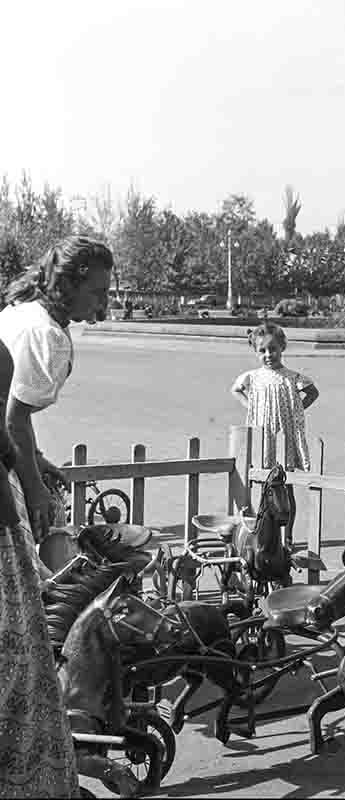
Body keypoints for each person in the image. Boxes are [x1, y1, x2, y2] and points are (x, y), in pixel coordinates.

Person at [0, 235, 113, 798]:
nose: (104, 304)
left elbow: (13, 422)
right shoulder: (45, 335)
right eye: (97, 291)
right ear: (68, 285)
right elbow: (13, 419)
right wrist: (35, 490)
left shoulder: (19, 313)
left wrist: (37, 460)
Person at [230, 322, 319, 546]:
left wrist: (295, 411)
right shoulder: (253, 377)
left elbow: (312, 392)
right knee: (263, 487)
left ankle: (287, 535)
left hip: (283, 438)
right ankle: (264, 535)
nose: (268, 355)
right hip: (263, 436)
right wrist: (251, 407)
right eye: (262, 351)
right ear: (256, 352)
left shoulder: (291, 377)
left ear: (282, 348)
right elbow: (236, 390)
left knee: (285, 488)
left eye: (273, 349)